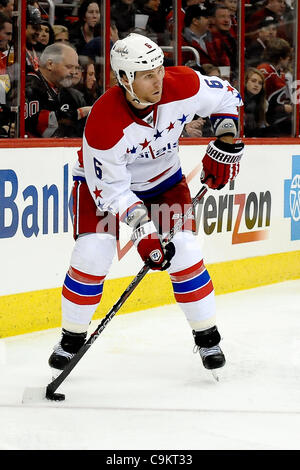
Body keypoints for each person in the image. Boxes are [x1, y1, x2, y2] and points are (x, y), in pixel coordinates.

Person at [48, 33, 244, 378]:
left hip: (164, 181)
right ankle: (71, 337)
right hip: (102, 188)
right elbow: (113, 192)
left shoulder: (181, 83)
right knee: (92, 251)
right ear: (125, 79)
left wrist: (226, 140)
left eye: (160, 69)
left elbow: (228, 98)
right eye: (148, 74)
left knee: (184, 249)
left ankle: (207, 336)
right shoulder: (104, 124)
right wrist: (145, 233)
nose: (160, 79)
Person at [25, 42, 89, 137]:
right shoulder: (30, 87)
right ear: (50, 64)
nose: (74, 72)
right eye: (69, 67)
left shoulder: (68, 93)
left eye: (76, 67)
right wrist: (78, 113)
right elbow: (39, 128)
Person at [257, 37, 293, 135]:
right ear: (281, 58)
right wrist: (282, 108)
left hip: (276, 118)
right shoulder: (265, 71)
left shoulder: (280, 72)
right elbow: (256, 99)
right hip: (265, 120)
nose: (289, 59)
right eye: (288, 56)